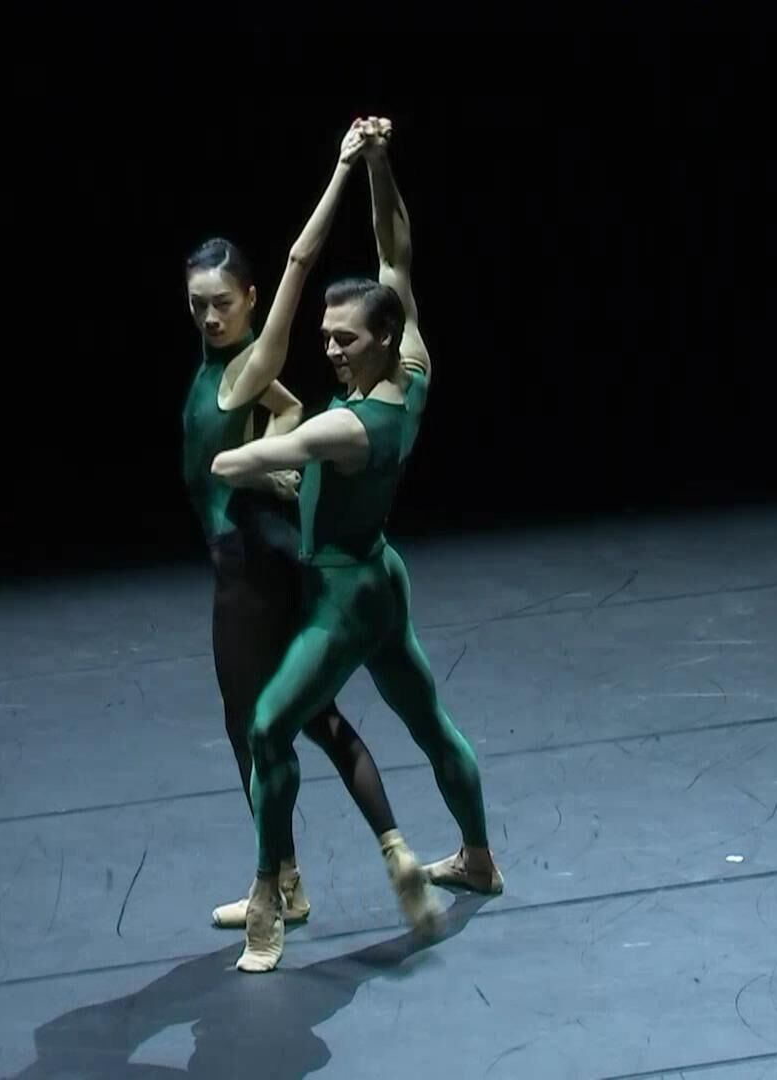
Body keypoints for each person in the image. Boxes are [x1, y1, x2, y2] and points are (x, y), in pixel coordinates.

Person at [213, 118, 502, 973]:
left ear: (380, 337)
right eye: (327, 336)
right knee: (429, 723)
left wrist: (254, 423)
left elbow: (233, 462)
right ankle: (478, 857)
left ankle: (269, 902)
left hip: (342, 598)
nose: (331, 348)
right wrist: (379, 163)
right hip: (382, 575)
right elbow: (395, 255)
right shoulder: (412, 370)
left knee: (269, 727)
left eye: (345, 339)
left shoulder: (346, 427)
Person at [181, 121, 412, 933]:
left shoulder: (246, 365)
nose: (210, 317)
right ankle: (372, 853)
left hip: (245, 565)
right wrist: (274, 466)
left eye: (223, 303)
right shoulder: (231, 373)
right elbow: (288, 411)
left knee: (254, 725)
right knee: (307, 717)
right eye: (197, 305)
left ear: (249, 300)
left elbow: (299, 261)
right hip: (257, 547)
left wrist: (344, 169)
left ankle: (277, 891)